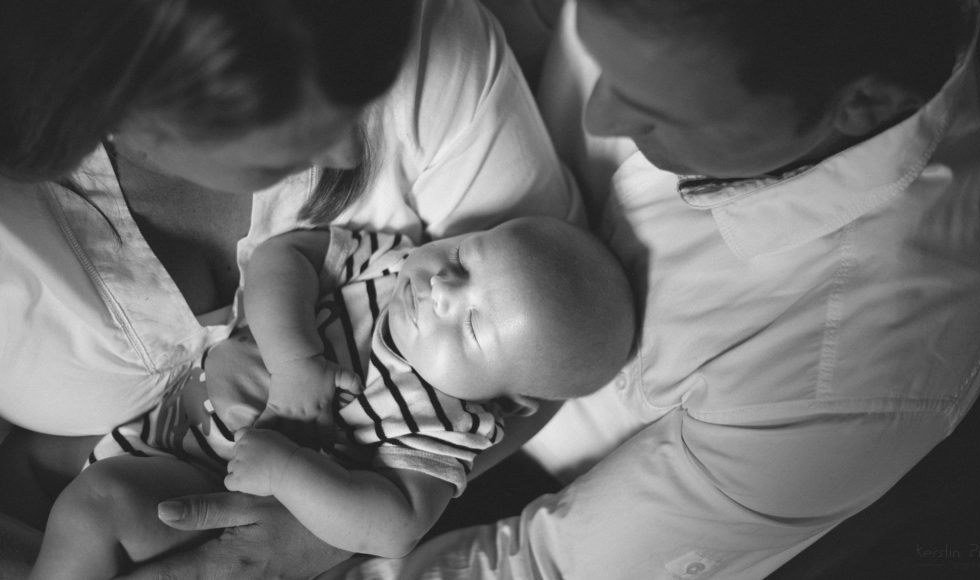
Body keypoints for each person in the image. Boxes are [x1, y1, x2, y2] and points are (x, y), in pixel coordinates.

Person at [321, 0, 980, 578]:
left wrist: (324, 541)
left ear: (863, 105)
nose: (596, 115)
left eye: (657, 115)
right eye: (596, 59)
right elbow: (450, 39)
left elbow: (544, 567)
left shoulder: (855, 372)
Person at [0, 0, 580, 577]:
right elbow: (291, 258)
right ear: (122, 115)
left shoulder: (448, 409)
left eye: (358, 101)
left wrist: (318, 532)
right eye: (285, 139)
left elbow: (540, 363)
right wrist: (294, 358)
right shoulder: (395, 273)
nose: (342, 157)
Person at [29, 216, 635, 579]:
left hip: (216, 502)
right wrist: (295, 359)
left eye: (474, 327)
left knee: (102, 503)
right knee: (56, 480)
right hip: (162, 435)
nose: (443, 289)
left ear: (512, 400)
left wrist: (291, 472)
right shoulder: (390, 262)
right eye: (462, 257)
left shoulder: (448, 422)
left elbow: (392, 526)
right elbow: (281, 257)